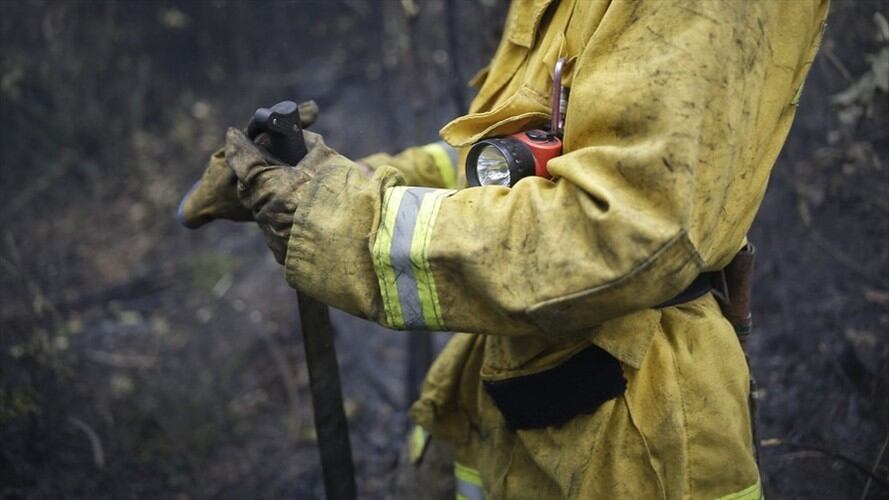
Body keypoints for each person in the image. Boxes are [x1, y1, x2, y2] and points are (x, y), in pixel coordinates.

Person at [179, 1, 829, 498]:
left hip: (635, 433)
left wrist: (340, 217)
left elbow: (624, 230)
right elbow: (512, 160)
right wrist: (347, 179)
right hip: (531, 395)